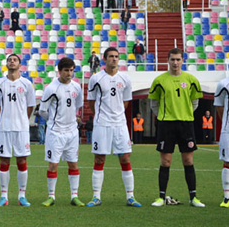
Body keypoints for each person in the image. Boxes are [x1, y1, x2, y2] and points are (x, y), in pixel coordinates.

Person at [148, 48, 204, 207]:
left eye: (178, 59)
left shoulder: (191, 79)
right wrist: (164, 117)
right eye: (172, 59)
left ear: (183, 60)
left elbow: (195, 102)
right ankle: (161, 197)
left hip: (186, 124)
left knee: (188, 160)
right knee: (165, 161)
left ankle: (193, 198)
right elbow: (154, 104)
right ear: (168, 60)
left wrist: (183, 114)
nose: (175, 62)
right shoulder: (159, 80)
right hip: (166, 125)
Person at [86, 47, 141, 207]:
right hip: (102, 124)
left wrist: (116, 114)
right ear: (104, 59)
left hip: (119, 124)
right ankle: (96, 196)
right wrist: (101, 115)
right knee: (99, 158)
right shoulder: (95, 78)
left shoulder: (125, 78)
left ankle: (130, 196)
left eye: (116, 56)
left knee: (124, 157)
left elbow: (125, 101)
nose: (114, 59)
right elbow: (91, 102)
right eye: (111, 56)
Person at [0, 54, 36, 207]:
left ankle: (22, 195)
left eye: (15, 60)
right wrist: (4, 118)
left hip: (21, 128)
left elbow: (30, 106)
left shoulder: (26, 84)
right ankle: (3, 196)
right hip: (4, 127)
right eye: (9, 60)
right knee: (4, 160)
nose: (12, 61)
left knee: (22, 160)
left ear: (19, 64)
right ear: (6, 64)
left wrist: (23, 119)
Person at [39, 57, 85, 207]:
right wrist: (53, 121)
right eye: (66, 70)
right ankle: (51, 196)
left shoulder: (77, 87)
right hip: (56, 132)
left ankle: (74, 196)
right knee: (53, 165)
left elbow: (77, 107)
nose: (69, 73)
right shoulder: (51, 88)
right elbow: (42, 110)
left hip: (72, 132)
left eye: (71, 70)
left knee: (73, 164)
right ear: (59, 71)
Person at [214, 76, 229, 207]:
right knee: (227, 162)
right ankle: (227, 198)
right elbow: (219, 107)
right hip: (228, 131)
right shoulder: (223, 84)